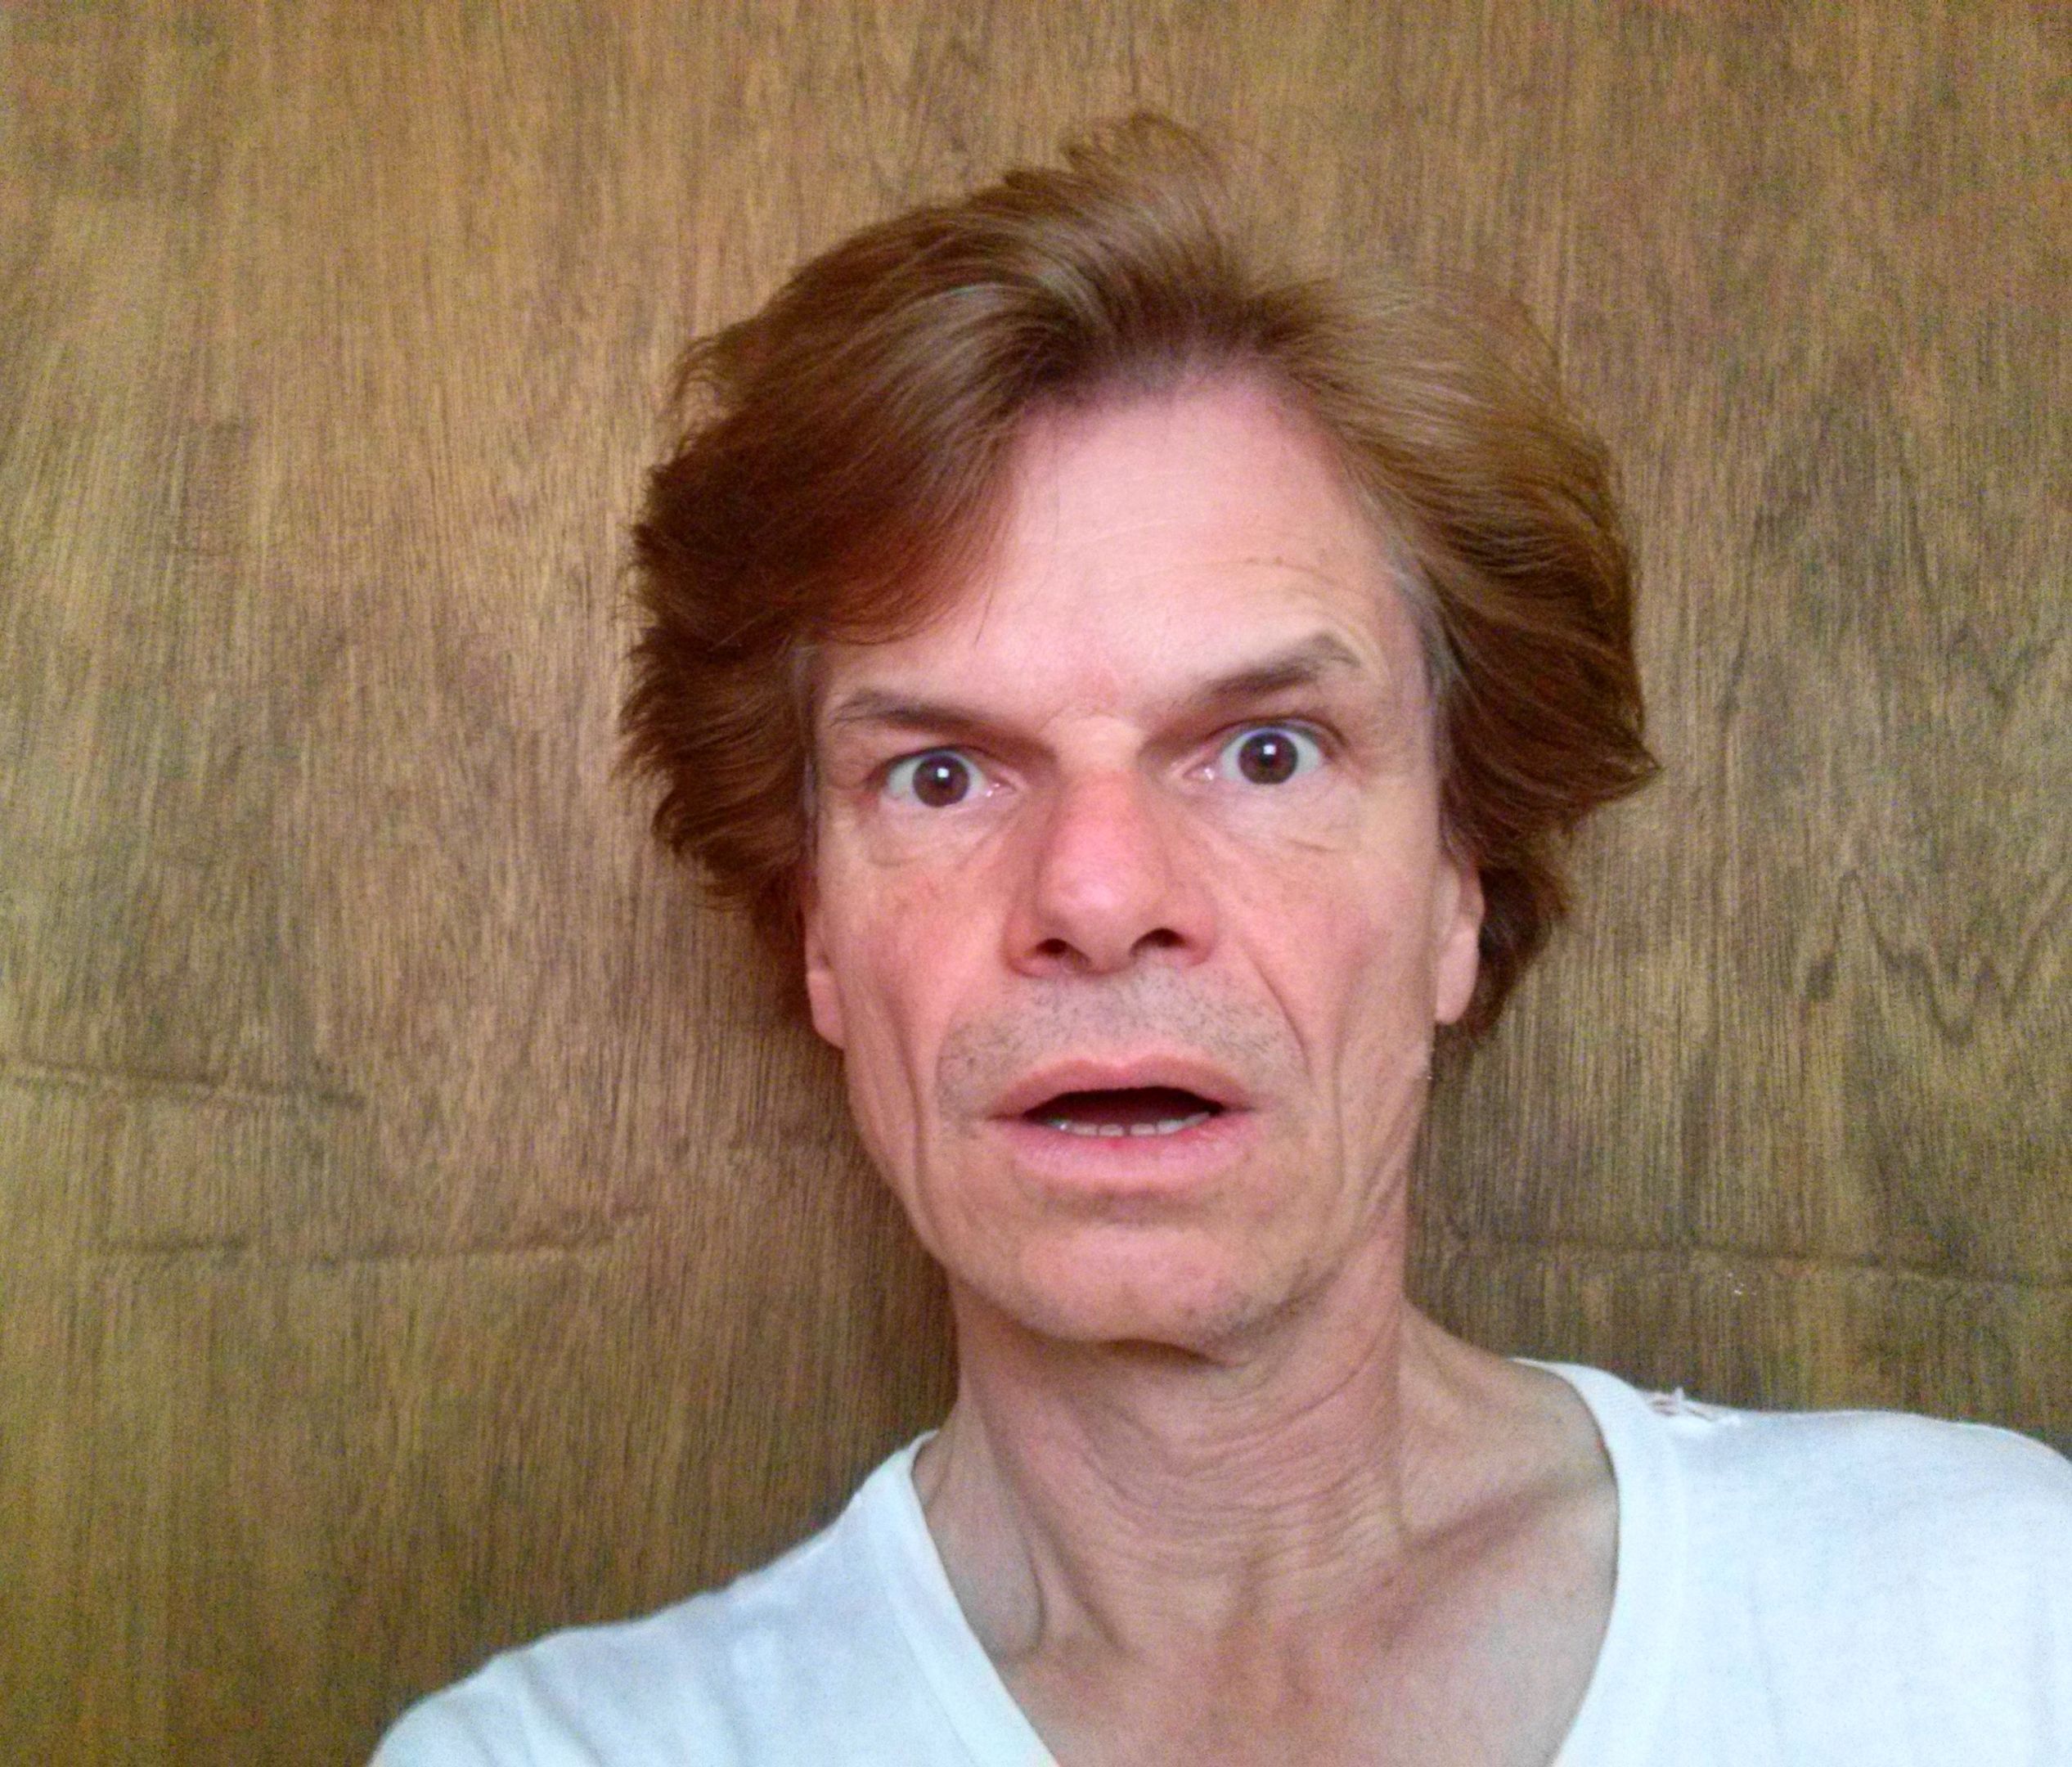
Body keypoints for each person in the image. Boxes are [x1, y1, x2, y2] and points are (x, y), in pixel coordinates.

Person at [376, 118, 2072, 1765]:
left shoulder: (1991, 1621)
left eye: (1266, 752)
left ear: (1457, 891)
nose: (1099, 896)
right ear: (818, 930)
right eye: (941, 773)